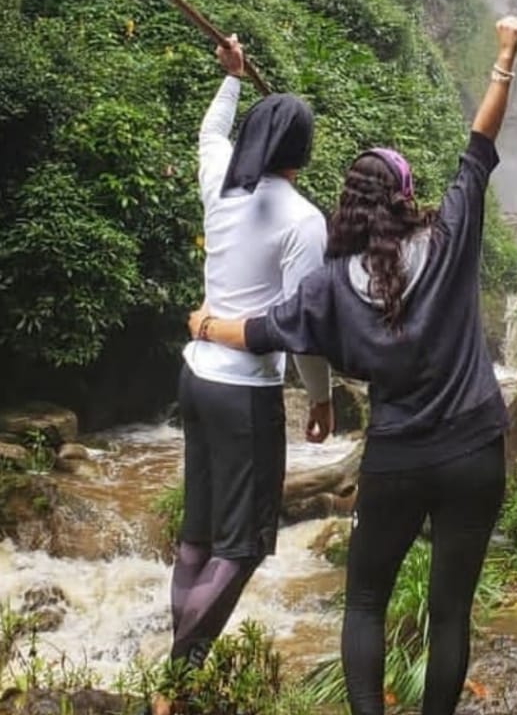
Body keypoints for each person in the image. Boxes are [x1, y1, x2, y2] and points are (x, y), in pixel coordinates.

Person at [187, 15, 517, 715]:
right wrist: (504, 57)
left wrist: (207, 323)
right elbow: (480, 140)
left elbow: (266, 330)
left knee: (366, 601)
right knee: (449, 611)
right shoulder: (451, 234)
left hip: (397, 458)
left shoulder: (330, 285)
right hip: (474, 450)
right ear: (406, 197)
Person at [164, 34, 333, 685]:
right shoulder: (303, 221)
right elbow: (303, 331)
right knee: (245, 545)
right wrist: (319, 398)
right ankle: (179, 672)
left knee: (198, 532)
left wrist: (232, 78)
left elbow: (211, 133)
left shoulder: (219, 186)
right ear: (303, 153)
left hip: (196, 376)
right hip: (245, 394)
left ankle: (178, 661)